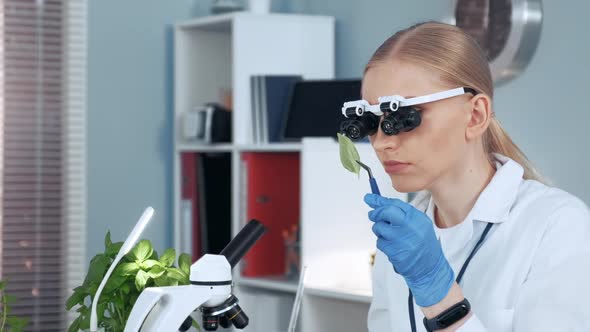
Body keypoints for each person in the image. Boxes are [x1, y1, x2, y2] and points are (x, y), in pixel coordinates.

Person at [353, 22, 590, 331]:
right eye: (371, 120)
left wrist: (442, 299)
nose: (382, 141)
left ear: (475, 116)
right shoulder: (401, 240)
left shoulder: (557, 225)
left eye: (403, 117)